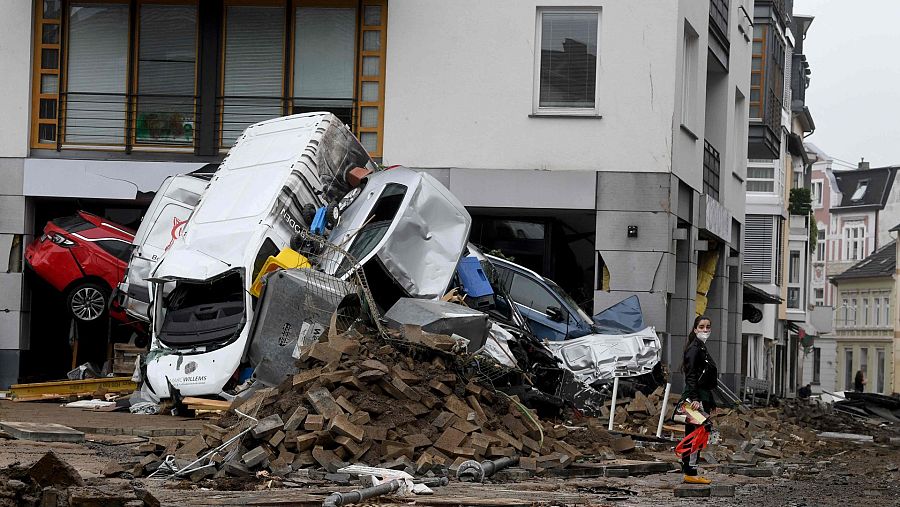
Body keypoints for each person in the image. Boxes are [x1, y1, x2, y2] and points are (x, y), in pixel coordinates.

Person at [678, 315, 718, 485]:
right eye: (701, 327)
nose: (705, 330)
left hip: (702, 396)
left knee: (698, 435)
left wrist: (711, 401)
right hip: (696, 398)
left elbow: (706, 378)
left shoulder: (701, 347)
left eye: (708, 327)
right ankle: (690, 472)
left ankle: (691, 470)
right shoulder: (695, 348)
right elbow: (691, 375)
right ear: (695, 329)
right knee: (695, 434)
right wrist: (695, 398)